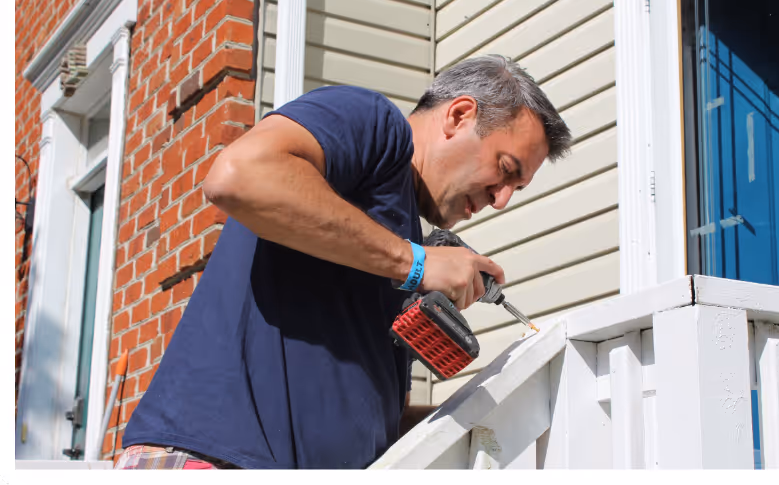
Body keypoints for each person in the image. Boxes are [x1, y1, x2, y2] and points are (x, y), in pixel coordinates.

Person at [116, 54, 573, 469]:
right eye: (505, 169)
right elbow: (238, 176)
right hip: (215, 460)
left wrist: (477, 416)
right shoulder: (372, 122)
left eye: (517, 189)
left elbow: (362, 419)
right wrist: (416, 262)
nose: (501, 200)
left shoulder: (389, 243)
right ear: (459, 116)